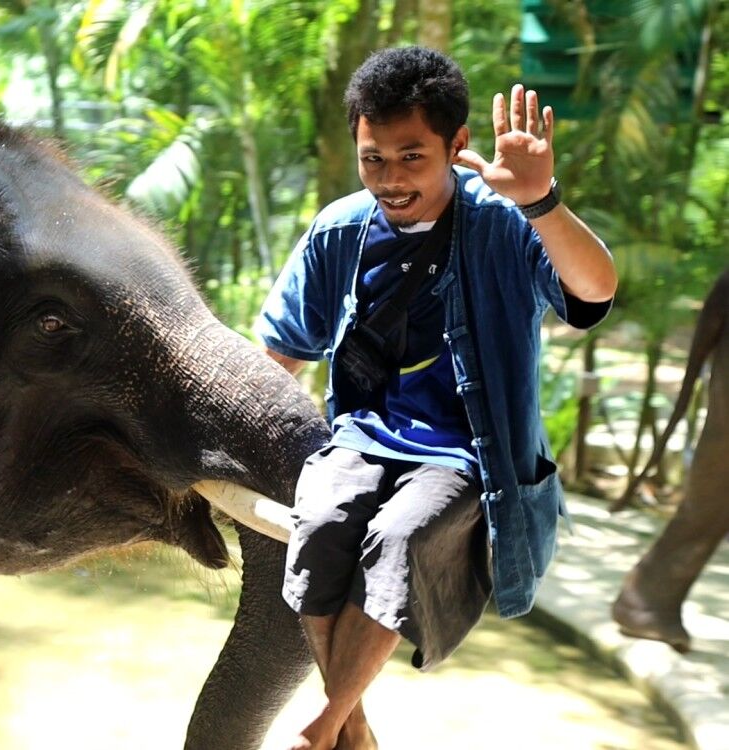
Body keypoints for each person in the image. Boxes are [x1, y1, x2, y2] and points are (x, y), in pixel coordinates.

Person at [254, 46, 617, 750]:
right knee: (321, 521)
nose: (389, 180)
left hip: (460, 450)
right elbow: (279, 354)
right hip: (360, 436)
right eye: (372, 159)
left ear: (457, 145)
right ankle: (350, 731)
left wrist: (540, 201)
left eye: (410, 157)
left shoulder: (506, 225)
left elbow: (595, 290)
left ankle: (319, 728)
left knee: (399, 537)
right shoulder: (338, 230)